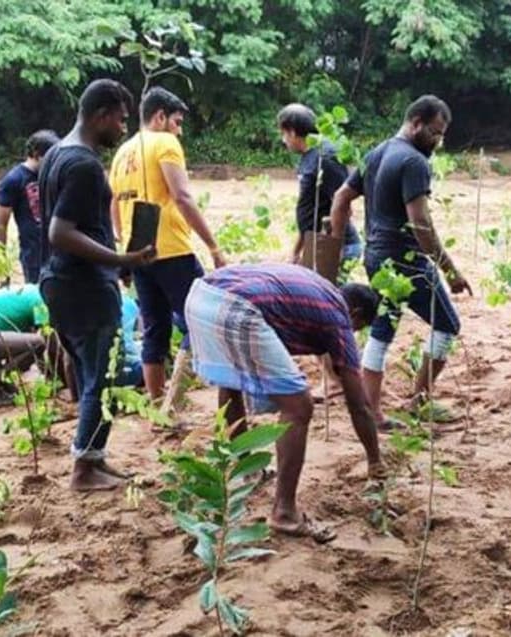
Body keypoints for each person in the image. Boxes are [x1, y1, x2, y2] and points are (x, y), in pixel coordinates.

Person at [183, 264, 385, 542]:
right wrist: (375, 461)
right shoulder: (338, 316)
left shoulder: (319, 289)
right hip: (237, 307)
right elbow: (359, 405)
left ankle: (248, 471)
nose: (353, 333)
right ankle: (285, 513)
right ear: (355, 314)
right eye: (357, 328)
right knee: (299, 406)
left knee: (231, 382)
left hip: (201, 295)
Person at [38, 78, 155, 491]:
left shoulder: (56, 153)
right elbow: (60, 231)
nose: (124, 128)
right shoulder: (84, 165)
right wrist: (121, 259)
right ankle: (85, 470)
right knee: (101, 379)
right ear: (101, 115)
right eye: (121, 120)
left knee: (92, 374)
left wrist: (115, 261)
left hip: (60, 282)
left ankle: (93, 458)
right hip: (84, 287)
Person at [329, 95, 473, 426]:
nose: (437, 142)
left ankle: (373, 411)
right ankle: (420, 401)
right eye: (434, 133)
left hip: (376, 258)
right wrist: (450, 271)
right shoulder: (413, 162)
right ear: (416, 123)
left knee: (383, 329)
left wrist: (335, 249)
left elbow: (340, 198)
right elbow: (420, 223)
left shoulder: (376, 153)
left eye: (441, 136)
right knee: (447, 326)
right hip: (407, 262)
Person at [110, 87, 227, 410]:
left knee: (155, 329)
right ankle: (173, 403)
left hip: (138, 254)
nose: (179, 131)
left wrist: (124, 244)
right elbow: (182, 197)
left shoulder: (123, 152)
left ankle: (158, 404)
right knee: (200, 321)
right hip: (172, 250)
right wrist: (214, 247)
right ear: (160, 117)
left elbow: (113, 203)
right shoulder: (165, 143)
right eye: (177, 122)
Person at [276, 103, 363, 274]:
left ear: (292, 132)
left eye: (283, 134)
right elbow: (309, 213)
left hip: (334, 246)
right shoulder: (308, 157)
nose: (283, 140)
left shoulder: (326, 157)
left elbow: (344, 207)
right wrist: (296, 252)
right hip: (317, 243)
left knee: (325, 291)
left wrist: (333, 251)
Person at [0, 130, 60, 284]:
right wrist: (0, 266)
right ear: (36, 154)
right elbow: (1, 224)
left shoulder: (54, 175)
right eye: (50, 158)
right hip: (34, 257)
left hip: (61, 254)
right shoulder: (13, 180)